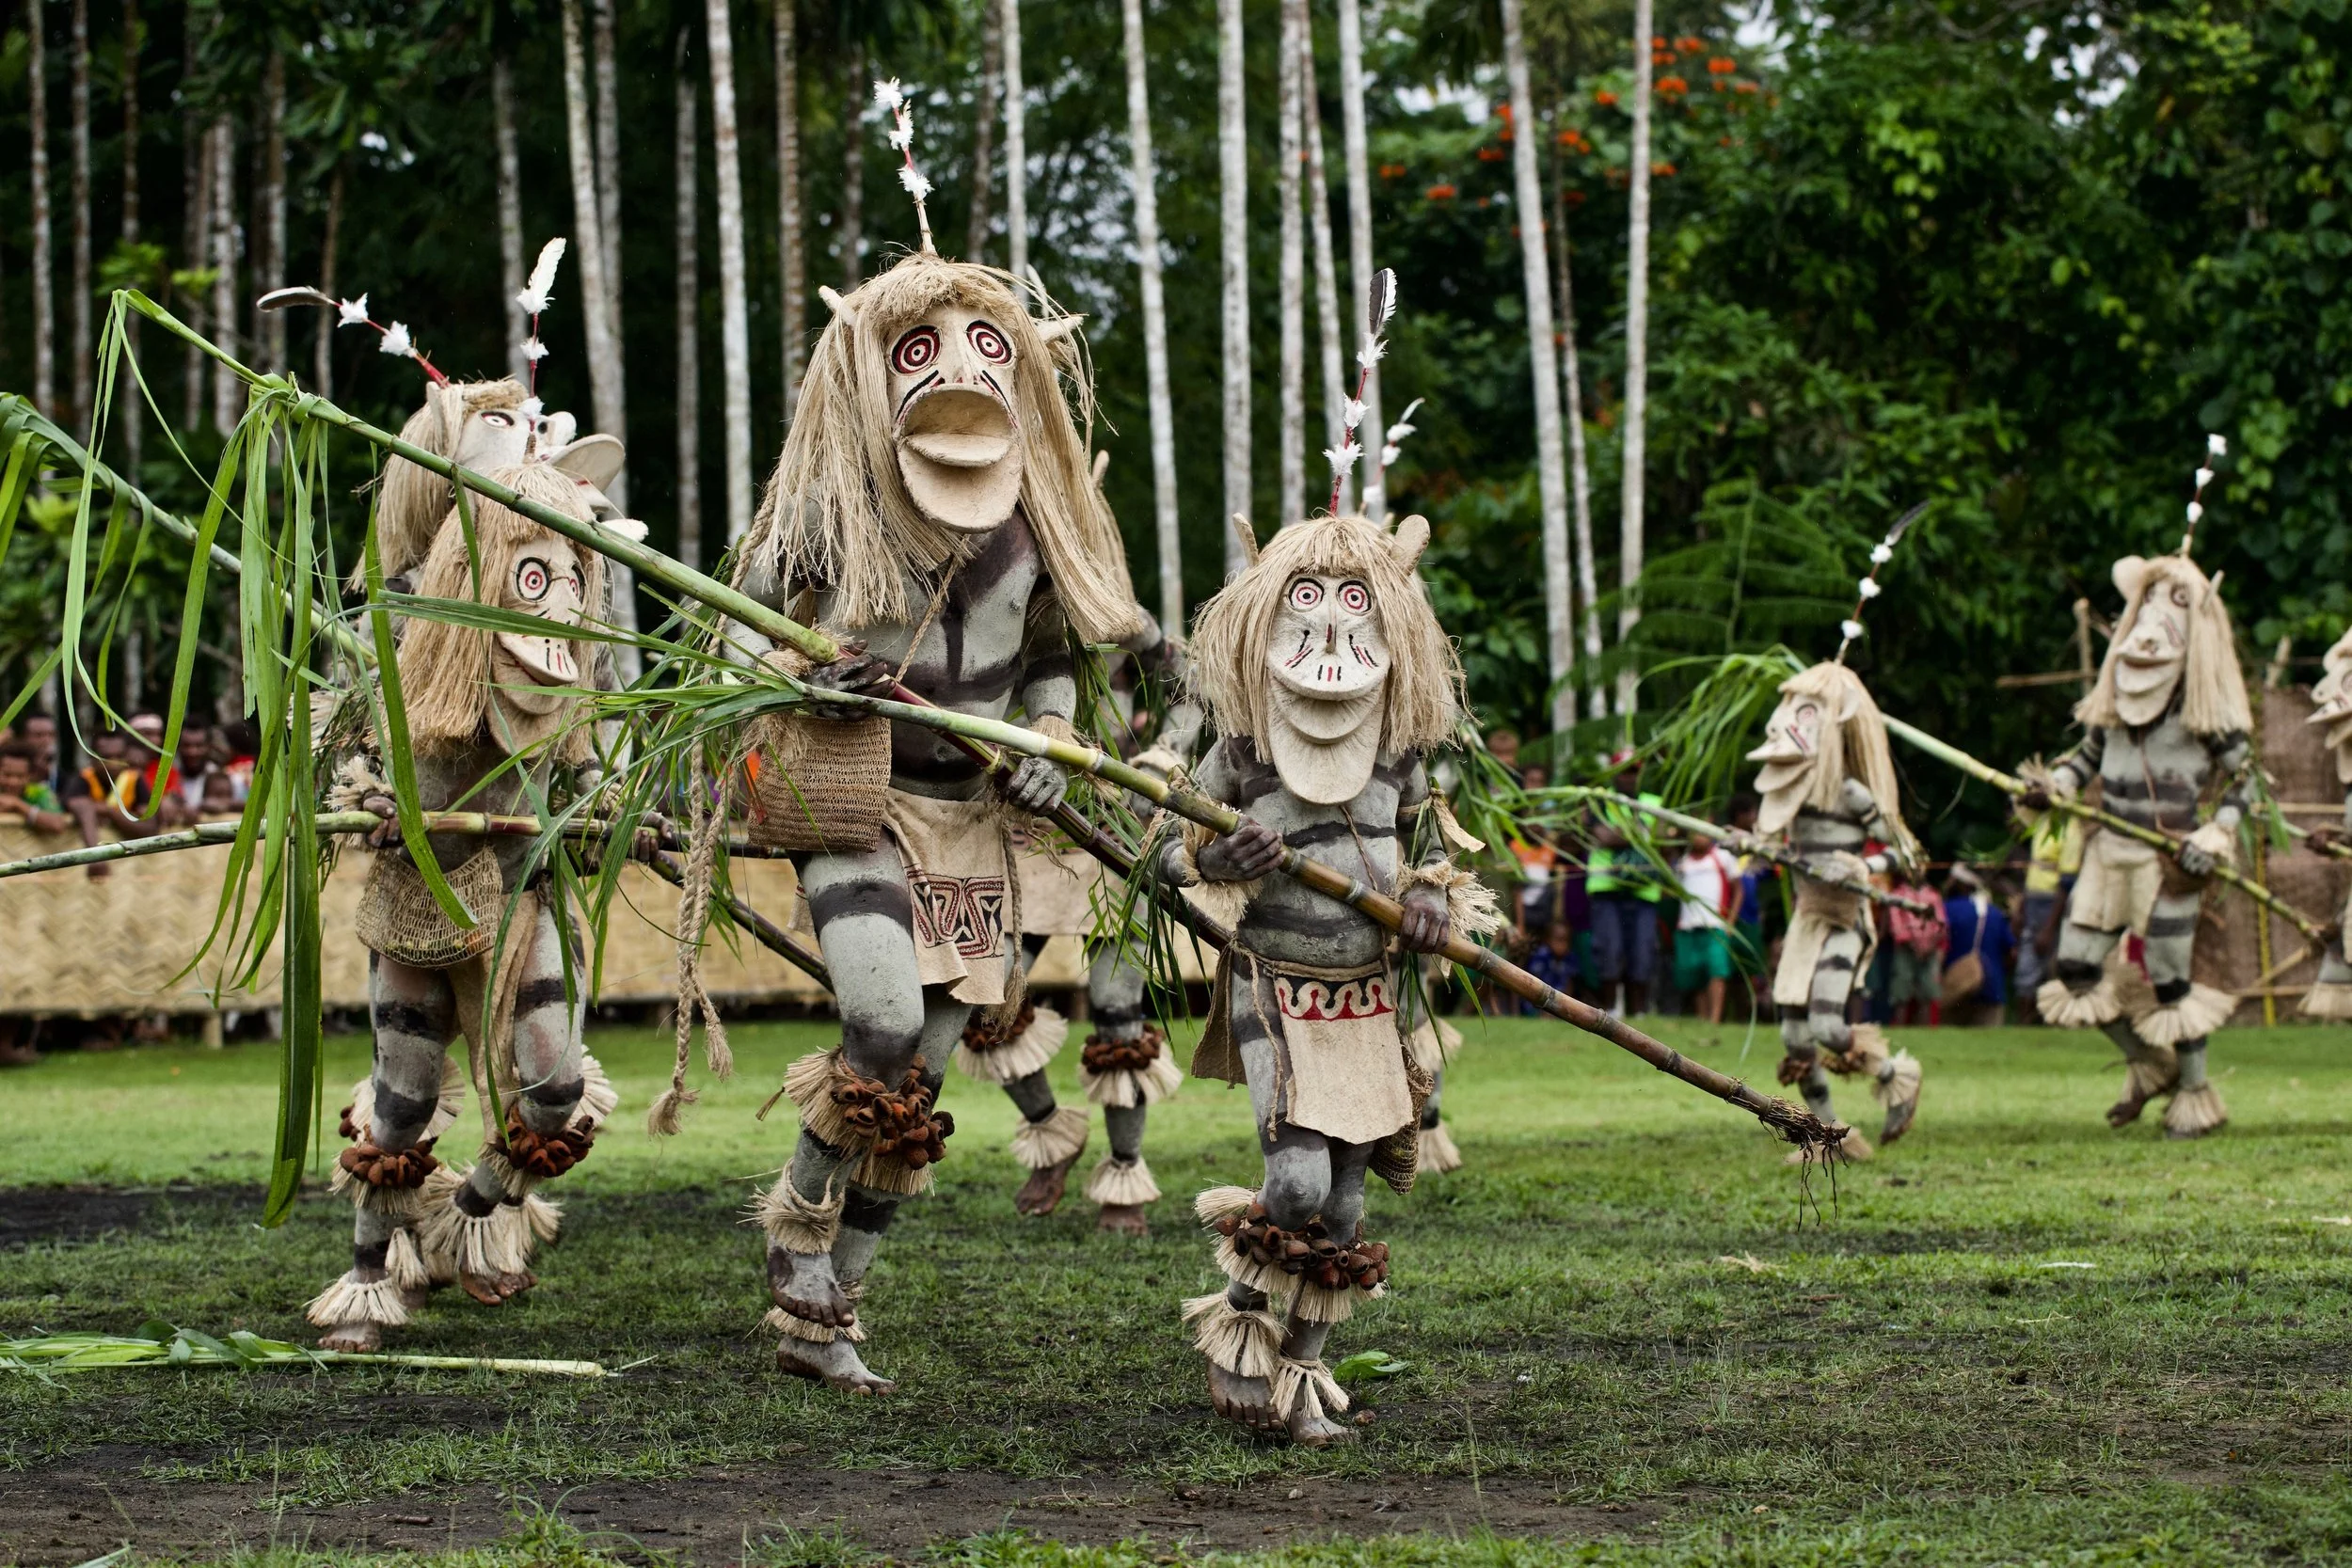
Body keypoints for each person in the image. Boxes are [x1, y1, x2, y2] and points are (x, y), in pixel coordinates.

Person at [729, 182, 1154, 1394]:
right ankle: (796, 1223)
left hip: (984, 825)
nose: (955, 377)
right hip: (859, 798)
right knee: (875, 1023)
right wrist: (810, 676)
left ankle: (832, 1304)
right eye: (921, 351)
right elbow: (736, 645)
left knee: (915, 1072)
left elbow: (1061, 656)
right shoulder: (824, 515)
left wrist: (1049, 735)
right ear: (873, 372)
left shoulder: (1042, 523)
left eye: (981, 350)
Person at [1167, 509, 1495, 1448]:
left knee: (1345, 1202)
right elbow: (1163, 848)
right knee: (1300, 1181)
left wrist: (1431, 901)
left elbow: (1439, 858)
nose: (1329, 630)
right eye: (1305, 603)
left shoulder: (1399, 754)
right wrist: (1219, 858)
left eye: (1354, 606)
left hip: (1367, 997)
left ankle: (1302, 1369)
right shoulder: (1240, 749)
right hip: (1276, 981)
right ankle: (1237, 1326)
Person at [308, 464, 624, 1354]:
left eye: (572, 579)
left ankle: (469, 1212)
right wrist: (366, 792)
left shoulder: (570, 668)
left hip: (523, 894)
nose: (558, 602)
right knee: (401, 1107)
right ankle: (369, 1277)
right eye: (535, 578)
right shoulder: (411, 642)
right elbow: (351, 749)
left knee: (556, 1088)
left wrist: (608, 810)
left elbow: (588, 763)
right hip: (420, 906)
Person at [2025, 546, 2249, 1137]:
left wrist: (2216, 832)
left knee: (2171, 980)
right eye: (2148, 601)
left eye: (2172, 602)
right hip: (2108, 853)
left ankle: (2196, 1091)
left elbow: (2250, 783)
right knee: (2075, 969)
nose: (2151, 625)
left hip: (2171, 857)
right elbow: (2086, 760)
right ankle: (2152, 1063)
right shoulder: (2115, 705)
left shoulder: (2206, 712)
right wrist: (2053, 786)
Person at [1586, 754, 1664, 1016]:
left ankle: (1639, 1012)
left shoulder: (1655, 803)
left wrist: (1621, 832)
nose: (1628, 777)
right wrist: (1640, 833)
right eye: (1623, 772)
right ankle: (1611, 1008)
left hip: (1644, 891)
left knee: (1642, 951)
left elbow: (1663, 839)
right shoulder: (1599, 800)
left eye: (1633, 772)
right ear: (1614, 774)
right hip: (1606, 890)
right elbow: (1603, 837)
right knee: (1610, 949)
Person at [1672, 832, 1741, 1024]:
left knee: (1717, 972)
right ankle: (1702, 1019)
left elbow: (1738, 889)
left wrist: (1731, 921)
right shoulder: (1683, 861)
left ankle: (1715, 1019)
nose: (1697, 838)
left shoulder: (1723, 856)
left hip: (1715, 924)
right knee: (1695, 975)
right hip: (1688, 925)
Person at [1941, 865, 2015, 1025]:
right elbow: (2011, 953)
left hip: (1957, 988)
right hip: (1991, 987)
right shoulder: (1995, 913)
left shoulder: (1947, 909)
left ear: (1960, 884)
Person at [1882, 866, 1947, 1026]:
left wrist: (1929, 945)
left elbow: (1941, 924)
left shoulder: (1932, 895)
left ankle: (1927, 1032)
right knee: (1901, 992)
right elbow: (1896, 925)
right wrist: (1914, 945)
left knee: (1928, 991)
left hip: (1929, 949)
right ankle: (1901, 1029)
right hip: (1906, 948)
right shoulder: (1898, 895)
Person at [0, 742, 71, 832]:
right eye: (7, 775)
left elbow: (58, 824)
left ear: (30, 776)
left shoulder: (40, 792)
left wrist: (17, 805)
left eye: (20, 776)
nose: (13, 782)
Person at [1523, 920, 1579, 1012]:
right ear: (1548, 940)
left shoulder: (1570, 958)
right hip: (1537, 1003)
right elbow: (1533, 985)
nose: (1562, 945)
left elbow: (1569, 985)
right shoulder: (1541, 956)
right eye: (1559, 940)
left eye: (1566, 940)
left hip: (1560, 1003)